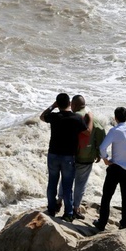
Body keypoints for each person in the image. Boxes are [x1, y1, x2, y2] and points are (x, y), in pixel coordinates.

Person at [40, 93, 93, 222]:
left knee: (52, 182)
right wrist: (90, 118)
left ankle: (51, 209)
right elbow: (88, 132)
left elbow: (42, 117)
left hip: (53, 155)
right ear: (70, 103)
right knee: (67, 185)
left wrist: (53, 106)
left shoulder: (54, 116)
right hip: (68, 157)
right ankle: (68, 213)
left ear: (58, 104)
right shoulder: (76, 118)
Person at [56, 95, 106, 219]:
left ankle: (59, 201)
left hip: (70, 155)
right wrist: (99, 153)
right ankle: (76, 207)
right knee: (80, 183)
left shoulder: (72, 117)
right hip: (86, 157)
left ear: (73, 105)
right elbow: (100, 133)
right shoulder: (93, 119)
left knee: (66, 180)